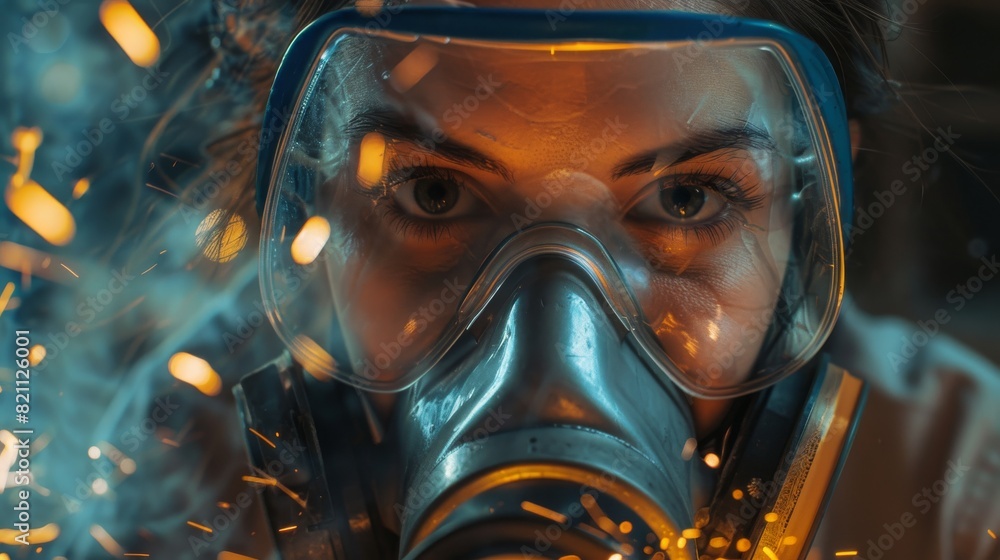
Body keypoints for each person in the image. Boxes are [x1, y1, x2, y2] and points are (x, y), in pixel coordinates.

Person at [215, 1, 1000, 559]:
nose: (554, 356)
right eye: (435, 193)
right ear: (312, 207)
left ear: (806, 215)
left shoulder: (966, 496)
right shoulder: (176, 506)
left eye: (687, 199)